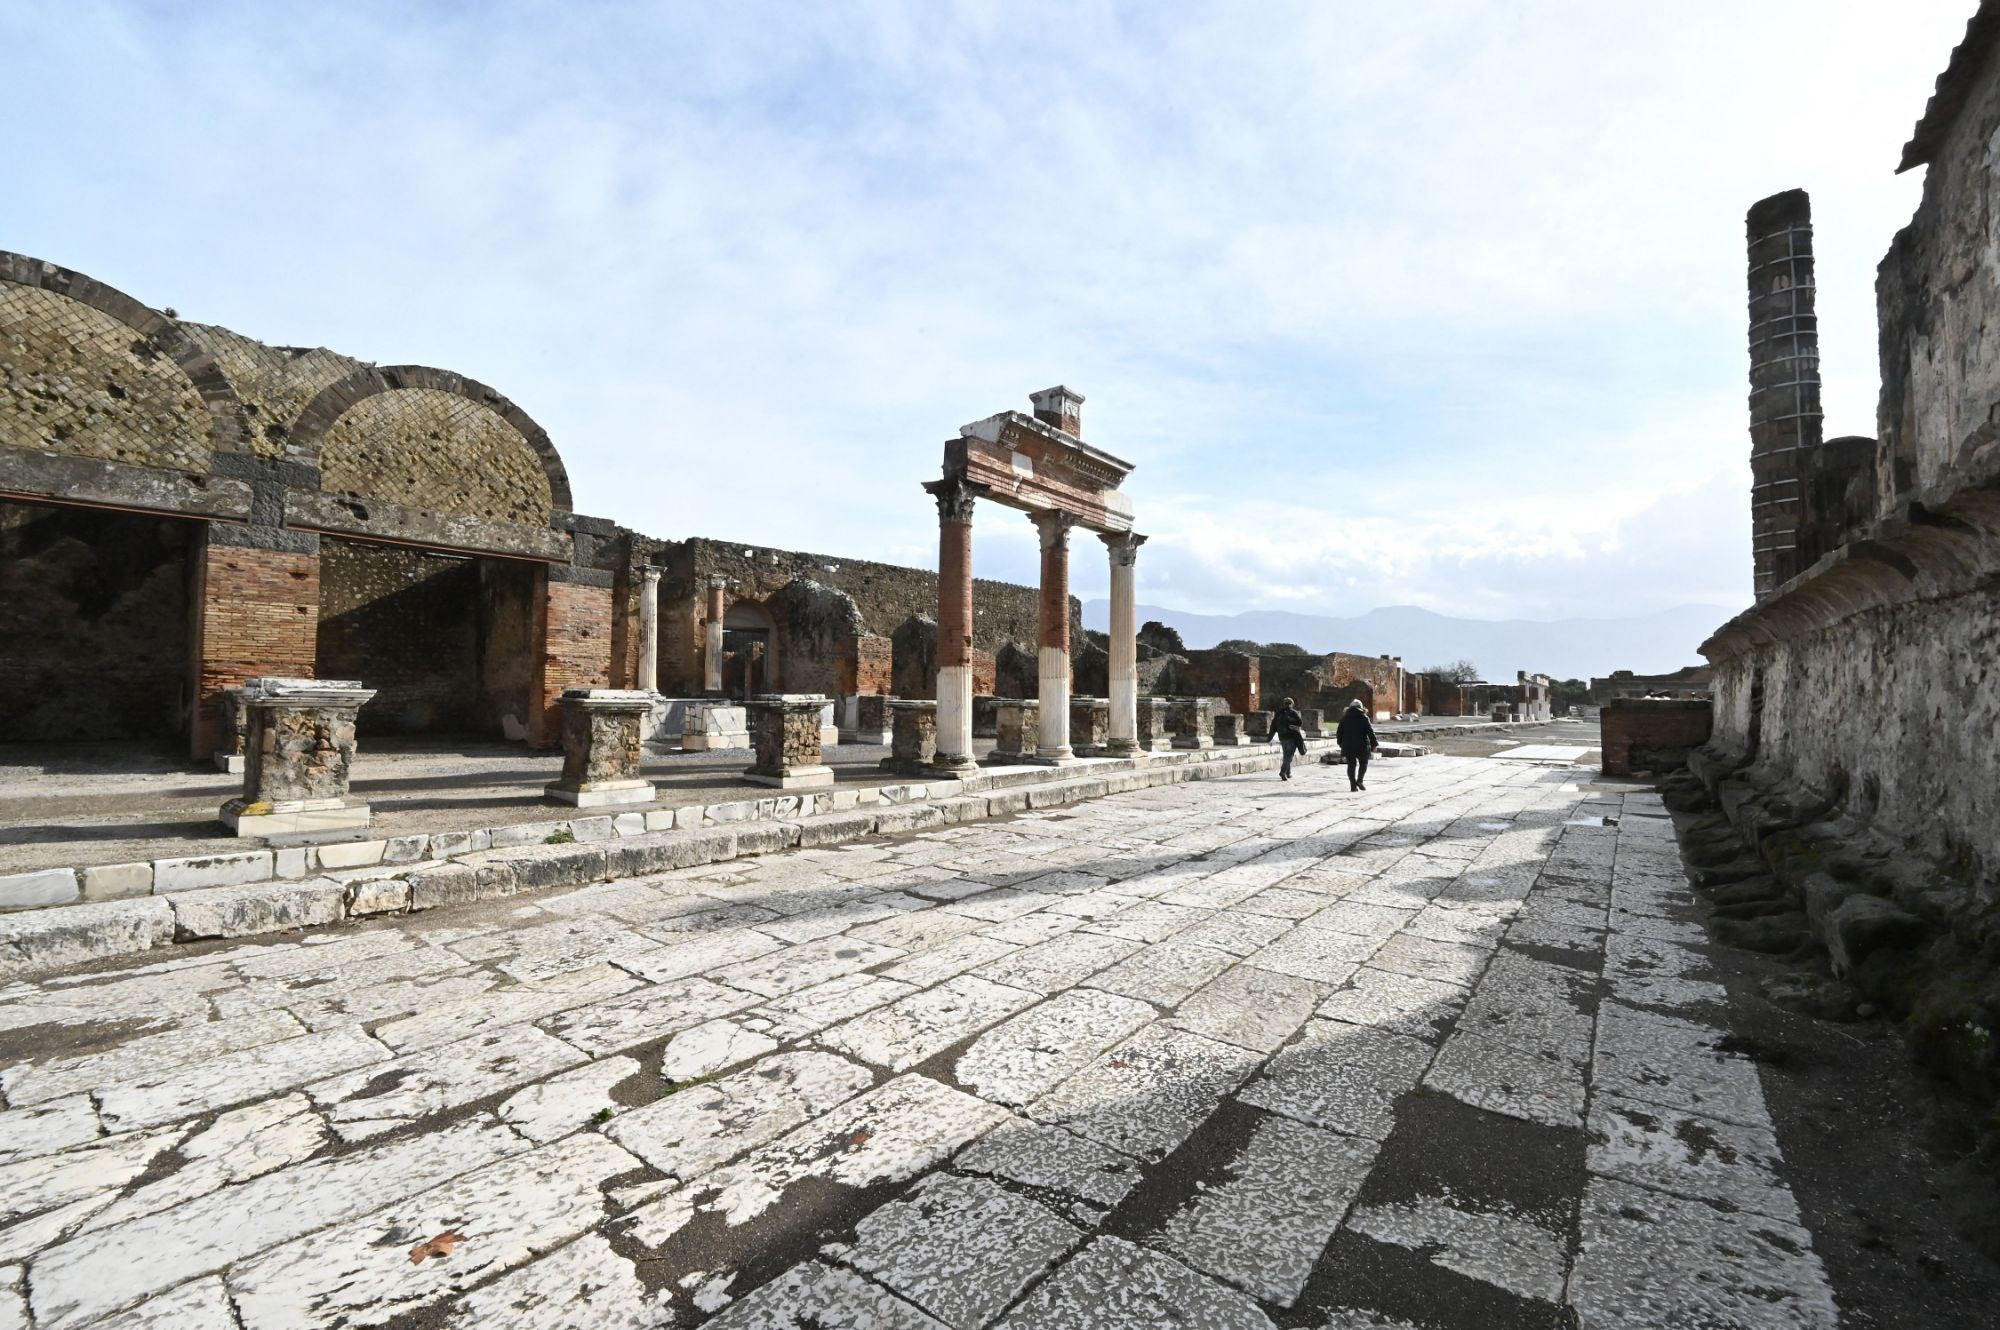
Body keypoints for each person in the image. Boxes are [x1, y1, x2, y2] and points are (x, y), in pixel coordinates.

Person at [1335, 698, 1380, 790]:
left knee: (1351, 765)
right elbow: (1370, 732)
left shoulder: (1345, 718)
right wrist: (1374, 744)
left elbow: (1339, 732)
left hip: (1348, 745)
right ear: (1361, 708)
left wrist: (1340, 743)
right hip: (1362, 745)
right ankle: (1359, 781)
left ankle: (1353, 785)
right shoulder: (1364, 717)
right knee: (1363, 763)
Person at [1270, 696, 1306, 780]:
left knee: (1286, 754)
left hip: (1282, 737)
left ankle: (1288, 772)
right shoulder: (1293, 712)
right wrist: (1291, 721)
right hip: (1291, 737)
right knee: (1289, 755)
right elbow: (1300, 723)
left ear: (1284, 704)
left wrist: (1271, 736)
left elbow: (1273, 725)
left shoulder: (1279, 713)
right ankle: (1283, 771)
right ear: (1292, 704)